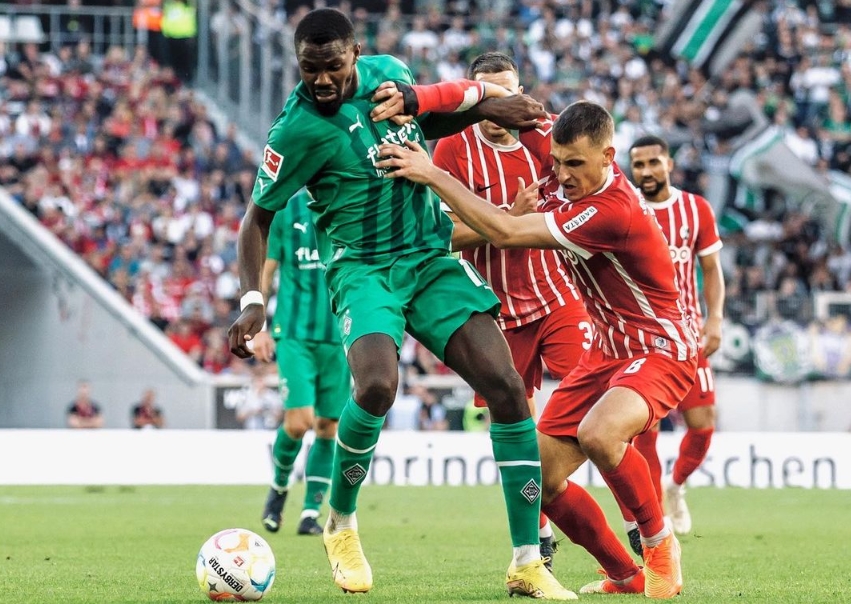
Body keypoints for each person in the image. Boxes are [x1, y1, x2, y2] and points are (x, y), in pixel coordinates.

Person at [227, 8, 576, 600]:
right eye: (310, 69)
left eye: (333, 67)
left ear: (355, 53)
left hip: (429, 257)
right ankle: (340, 521)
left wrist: (489, 106)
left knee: (507, 386)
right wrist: (253, 298)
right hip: (365, 270)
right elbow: (256, 218)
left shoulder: (390, 75)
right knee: (375, 388)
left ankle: (526, 561)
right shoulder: (294, 131)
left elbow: (426, 125)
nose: (322, 81)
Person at [376, 100, 699, 599]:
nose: (563, 175)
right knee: (542, 479)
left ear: (609, 156)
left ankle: (659, 544)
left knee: (600, 434)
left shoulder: (611, 209)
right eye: (558, 161)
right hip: (607, 353)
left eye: (576, 165)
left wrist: (430, 172)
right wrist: (414, 99)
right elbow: (510, 110)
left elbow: (505, 232)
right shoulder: (561, 175)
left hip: (661, 347)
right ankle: (624, 575)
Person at [432, 51, 592, 569]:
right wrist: (504, 218)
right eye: (489, 97)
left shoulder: (546, 140)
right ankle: (536, 538)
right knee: (514, 424)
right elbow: (438, 233)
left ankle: (642, 525)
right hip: (494, 310)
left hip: (556, 295)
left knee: (598, 398)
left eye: (509, 95)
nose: (501, 107)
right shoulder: (452, 149)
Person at [628, 135, 725, 538]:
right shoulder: (625, 208)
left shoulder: (695, 209)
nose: (647, 172)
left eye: (654, 162)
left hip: (687, 336)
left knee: (702, 425)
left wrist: (715, 318)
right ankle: (657, 522)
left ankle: (676, 485)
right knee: (643, 433)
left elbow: (712, 270)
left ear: (669, 164)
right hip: (640, 338)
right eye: (639, 165)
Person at [251, 188, 351, 537]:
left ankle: (310, 512)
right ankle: (278, 488)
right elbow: (265, 269)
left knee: (328, 427)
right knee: (299, 422)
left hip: (338, 336)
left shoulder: (347, 201)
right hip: (294, 333)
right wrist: (258, 324)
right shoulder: (287, 210)